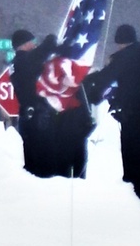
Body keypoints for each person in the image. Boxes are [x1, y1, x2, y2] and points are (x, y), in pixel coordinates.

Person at [83, 24, 140, 210]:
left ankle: (135, 207)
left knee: (132, 163)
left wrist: (89, 86)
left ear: (119, 42)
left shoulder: (121, 59)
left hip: (131, 118)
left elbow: (104, 79)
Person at [9, 29, 91, 179]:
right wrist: (49, 43)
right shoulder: (21, 62)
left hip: (40, 120)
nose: (34, 45)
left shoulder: (28, 63)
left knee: (46, 164)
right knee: (42, 168)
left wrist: (60, 50)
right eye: (31, 43)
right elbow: (35, 58)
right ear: (24, 44)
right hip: (36, 121)